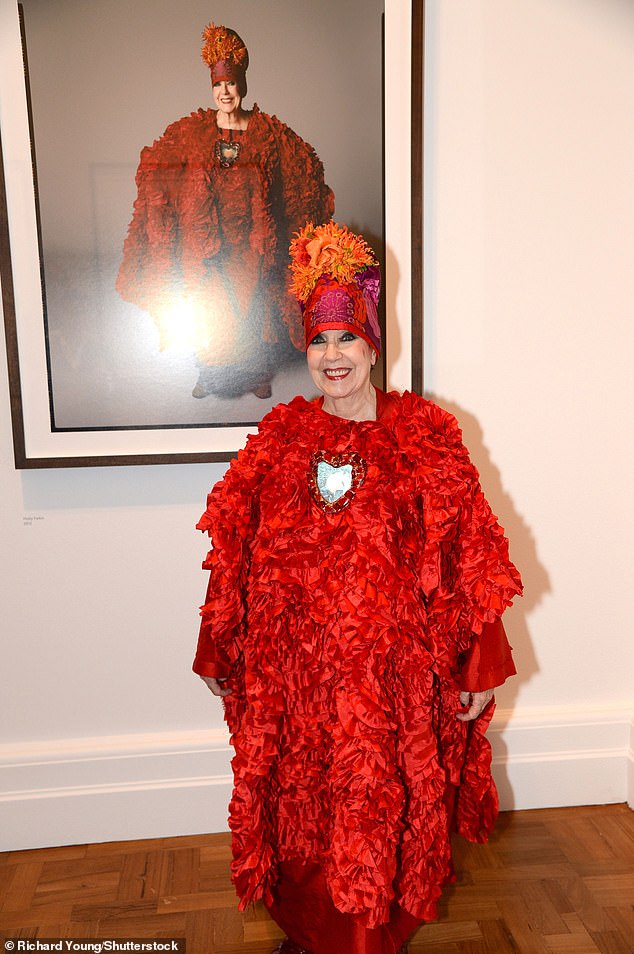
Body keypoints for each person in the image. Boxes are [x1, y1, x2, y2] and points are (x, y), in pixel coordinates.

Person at [193, 222, 523, 954]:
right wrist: (219, 645)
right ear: (304, 352)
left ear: (374, 345)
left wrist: (478, 665)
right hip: (299, 678)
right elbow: (234, 554)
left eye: (347, 339)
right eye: (319, 341)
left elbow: (471, 556)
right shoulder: (278, 439)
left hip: (390, 682)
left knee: (380, 804)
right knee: (305, 805)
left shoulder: (427, 436)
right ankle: (312, 935)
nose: (332, 356)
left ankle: (373, 936)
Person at [116, 22, 334, 401]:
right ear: (211, 89)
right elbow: (159, 164)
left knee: (251, 309)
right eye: (217, 85)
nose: (224, 92)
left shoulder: (267, 131)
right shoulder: (192, 131)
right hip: (207, 242)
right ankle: (209, 373)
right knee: (210, 306)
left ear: (242, 85)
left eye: (230, 84)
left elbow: (302, 165)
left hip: (252, 241)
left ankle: (256, 374)